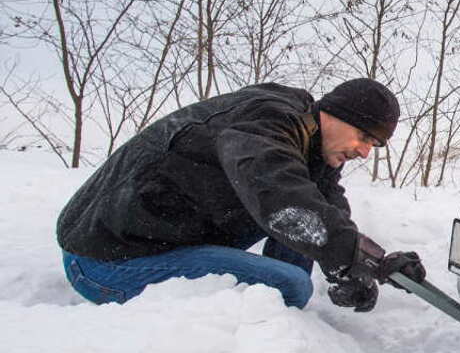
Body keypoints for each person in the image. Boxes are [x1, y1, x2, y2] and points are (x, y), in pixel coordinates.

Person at [56, 78, 426, 312]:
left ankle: (285, 326)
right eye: (364, 137)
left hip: (160, 238)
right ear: (334, 114)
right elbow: (278, 193)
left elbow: (326, 207)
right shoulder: (267, 122)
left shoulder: (312, 144)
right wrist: (349, 258)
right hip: (107, 259)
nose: (364, 152)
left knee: (306, 229)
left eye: (374, 146)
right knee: (291, 283)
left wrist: (371, 261)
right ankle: (268, 336)